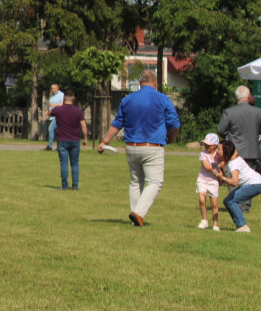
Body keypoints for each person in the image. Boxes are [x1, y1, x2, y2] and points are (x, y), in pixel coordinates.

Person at [97, 70, 180, 226]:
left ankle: (136, 219)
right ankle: (138, 213)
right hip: (153, 146)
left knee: (135, 182)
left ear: (140, 83)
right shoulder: (162, 99)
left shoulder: (127, 100)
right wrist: (171, 137)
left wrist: (105, 141)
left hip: (131, 146)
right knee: (155, 182)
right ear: (155, 83)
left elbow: (117, 124)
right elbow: (175, 124)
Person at [215, 140, 261, 233]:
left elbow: (234, 182)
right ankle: (241, 226)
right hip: (254, 182)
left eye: (219, 149)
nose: (216, 151)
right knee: (228, 201)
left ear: (226, 152)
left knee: (230, 201)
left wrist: (222, 177)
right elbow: (235, 152)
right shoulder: (230, 159)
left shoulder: (233, 163)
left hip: (255, 183)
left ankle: (243, 226)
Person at [45, 92, 88, 191]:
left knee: (64, 163)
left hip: (62, 139)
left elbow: (49, 113)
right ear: (73, 99)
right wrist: (85, 138)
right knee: (75, 163)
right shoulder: (78, 111)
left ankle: (64, 186)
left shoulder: (58, 110)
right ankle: (75, 186)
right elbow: (84, 126)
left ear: (64, 98)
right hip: (75, 140)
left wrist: (55, 106)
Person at [218, 85, 261, 173]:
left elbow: (221, 130)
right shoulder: (258, 112)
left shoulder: (229, 112)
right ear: (248, 96)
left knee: (235, 177)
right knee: (250, 178)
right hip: (251, 151)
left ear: (236, 97)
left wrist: (229, 137)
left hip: (234, 150)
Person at [196, 133, 222, 231]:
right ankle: (204, 220)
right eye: (205, 144)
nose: (206, 146)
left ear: (215, 146)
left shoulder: (218, 154)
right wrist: (220, 165)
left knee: (214, 204)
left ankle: (215, 224)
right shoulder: (203, 154)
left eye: (208, 145)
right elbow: (207, 167)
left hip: (213, 181)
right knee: (202, 200)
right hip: (202, 179)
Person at [45, 83, 64, 151]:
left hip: (58, 115)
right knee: (57, 131)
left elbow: (62, 104)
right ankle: (59, 146)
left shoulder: (61, 95)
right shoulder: (52, 96)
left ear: (57, 88)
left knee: (51, 129)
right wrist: (44, 115)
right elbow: (49, 106)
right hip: (52, 116)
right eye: (51, 88)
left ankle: (50, 146)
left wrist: (54, 105)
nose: (52, 90)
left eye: (53, 88)